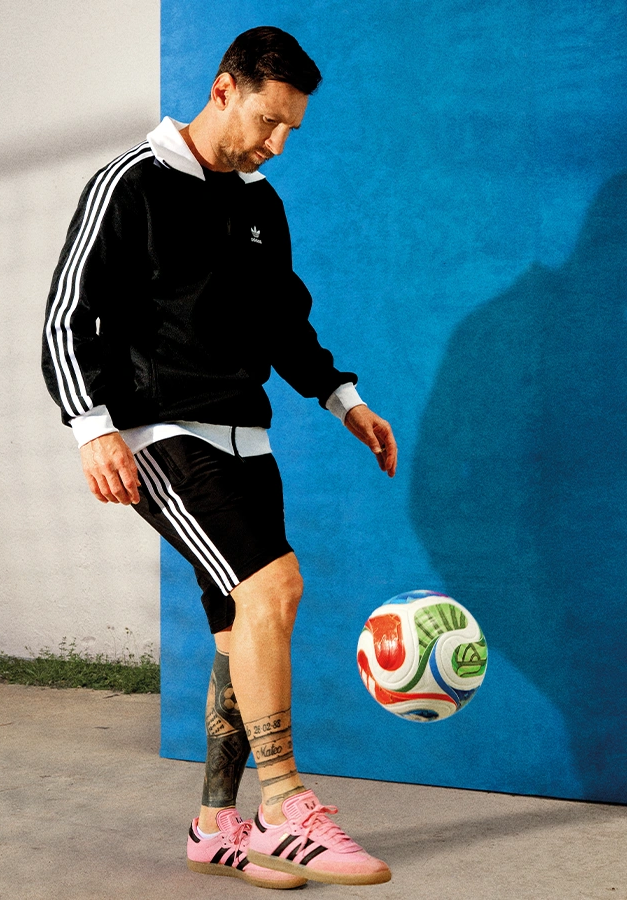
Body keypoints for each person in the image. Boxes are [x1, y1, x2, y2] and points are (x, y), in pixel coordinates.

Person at [42, 26, 395, 889]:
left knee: (241, 626)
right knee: (276, 585)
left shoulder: (258, 202)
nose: (276, 143)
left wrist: (343, 400)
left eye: (291, 131)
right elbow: (64, 315)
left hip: (248, 433)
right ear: (223, 88)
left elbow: (285, 324)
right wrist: (92, 427)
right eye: (268, 121)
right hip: (161, 433)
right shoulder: (130, 184)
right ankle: (285, 806)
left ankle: (212, 825)